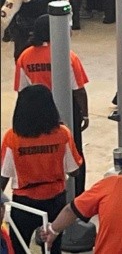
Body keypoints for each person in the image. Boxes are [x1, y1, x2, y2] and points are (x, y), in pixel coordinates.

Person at [0, 86, 83, 254]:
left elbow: (3, 176)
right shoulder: (62, 134)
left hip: (23, 203)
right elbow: (75, 171)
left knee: (18, 247)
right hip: (55, 201)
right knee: (52, 246)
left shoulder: (12, 137)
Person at [14, 15, 89, 192]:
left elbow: (21, 91)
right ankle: (77, 195)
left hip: (36, 109)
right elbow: (78, 90)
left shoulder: (25, 56)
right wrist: (84, 114)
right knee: (74, 153)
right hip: (66, 109)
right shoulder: (68, 55)